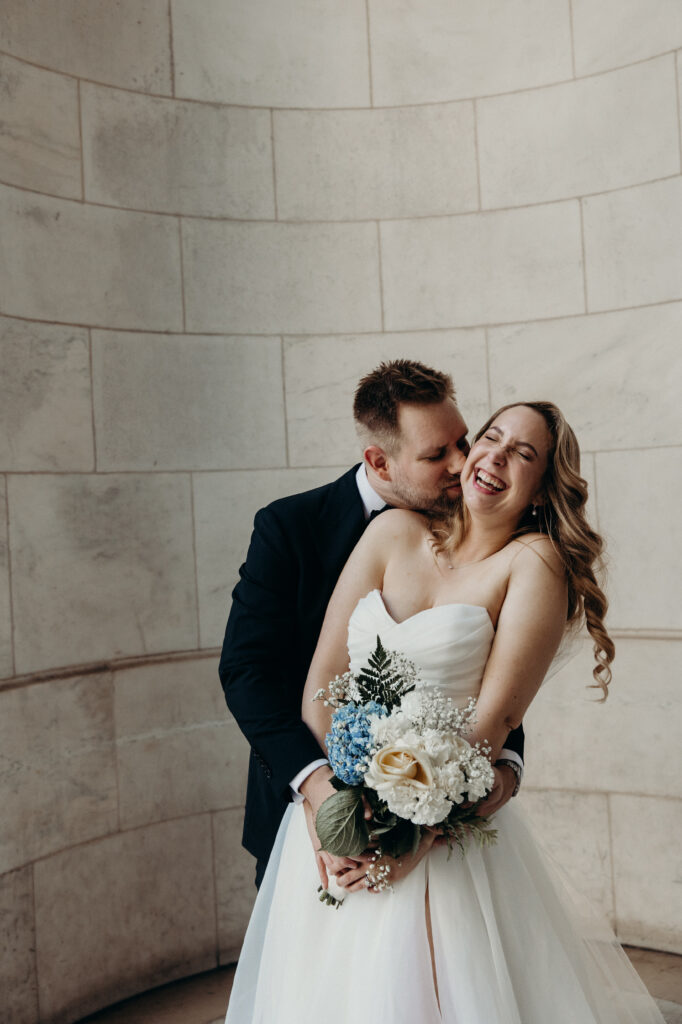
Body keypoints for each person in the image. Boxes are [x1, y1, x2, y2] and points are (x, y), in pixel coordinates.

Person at [225, 401, 665, 1024]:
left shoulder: (533, 564)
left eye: (525, 454)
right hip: (333, 823)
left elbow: (490, 725)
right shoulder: (391, 533)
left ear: (541, 489)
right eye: (492, 437)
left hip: (440, 845)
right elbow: (323, 680)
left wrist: (413, 838)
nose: (493, 456)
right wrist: (342, 815)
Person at [220, 361, 525, 888]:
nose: (462, 464)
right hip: (299, 809)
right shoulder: (289, 528)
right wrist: (321, 794)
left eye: (462, 441)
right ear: (379, 462)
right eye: (436, 454)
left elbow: (479, 670)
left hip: (437, 832)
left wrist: (504, 768)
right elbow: (247, 673)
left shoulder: (475, 526)